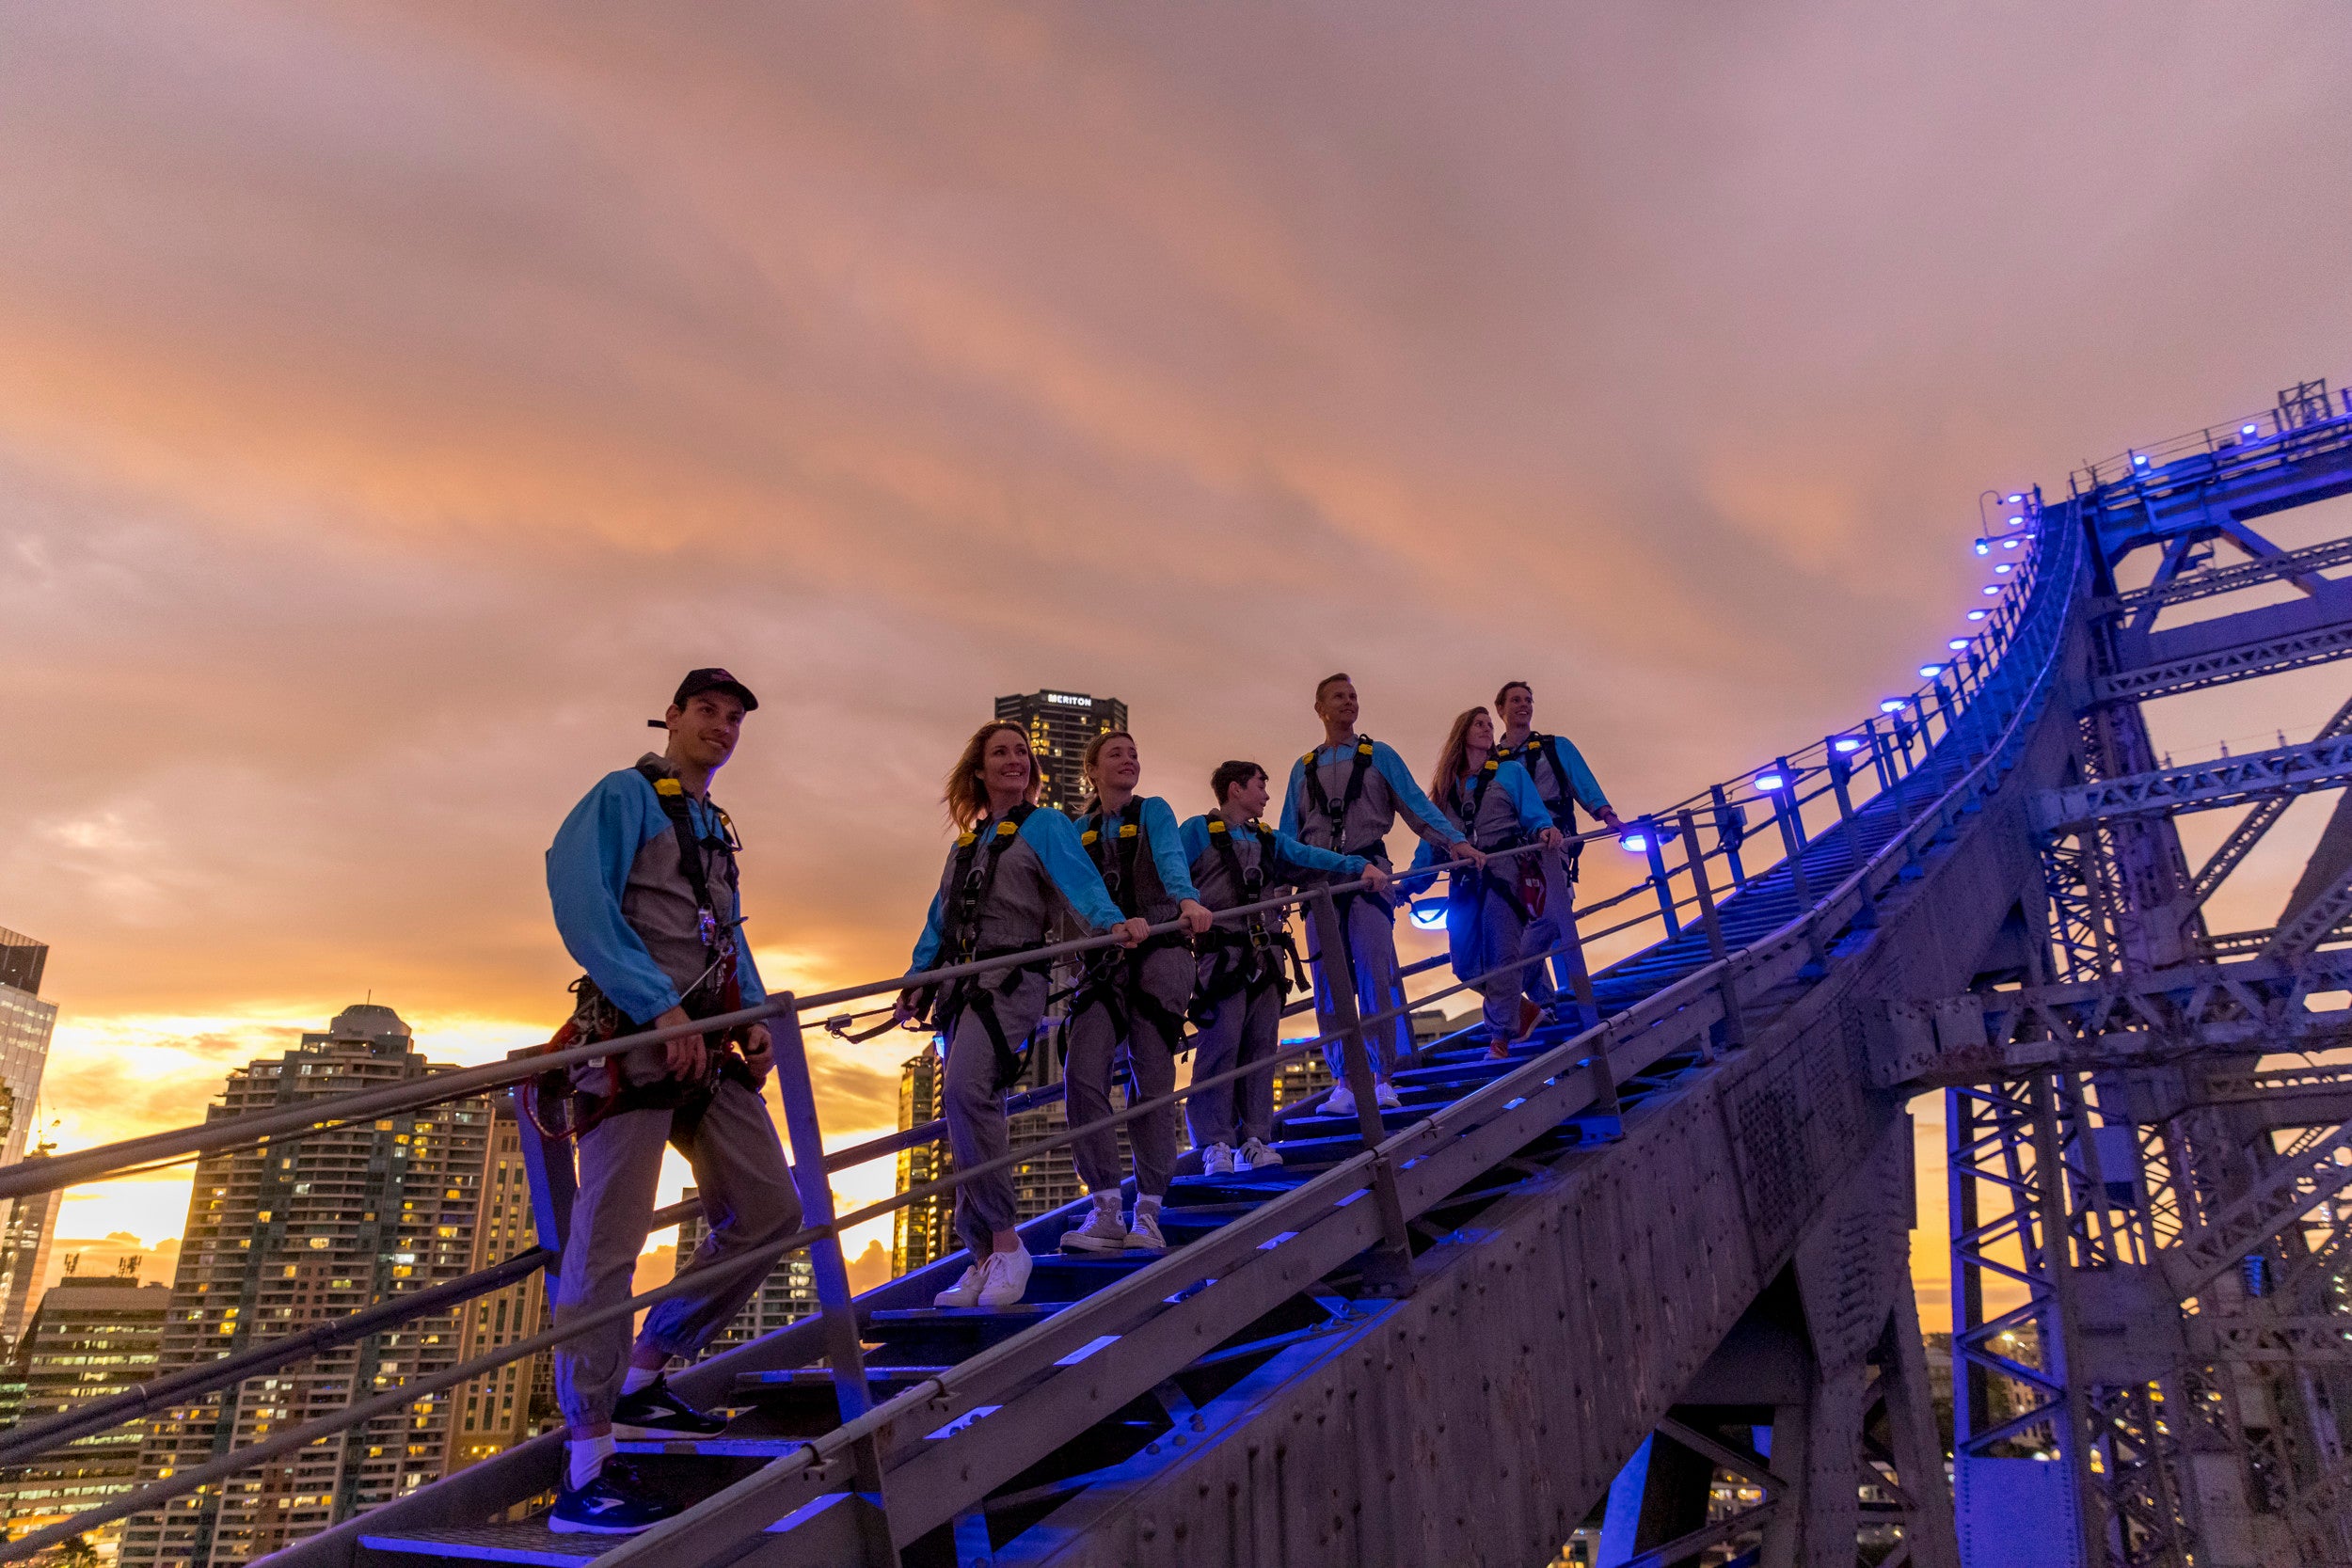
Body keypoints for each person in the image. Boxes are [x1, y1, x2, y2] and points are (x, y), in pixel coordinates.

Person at [542, 669, 803, 1535]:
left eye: (734, 719)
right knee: (608, 1241)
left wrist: (755, 1016)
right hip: (633, 1036)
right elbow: (581, 903)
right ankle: (587, 1462)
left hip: (709, 1043)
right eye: (708, 712)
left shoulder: (714, 828)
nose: (722, 728)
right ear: (674, 716)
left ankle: (646, 1371)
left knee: (771, 1207)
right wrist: (656, 1005)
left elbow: (724, 933)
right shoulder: (622, 796)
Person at [892, 721, 1146, 1308]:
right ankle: (982, 1255)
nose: (1014, 760)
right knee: (964, 1113)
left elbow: (1081, 886)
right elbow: (940, 919)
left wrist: (1112, 925)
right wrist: (915, 979)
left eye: (1021, 753)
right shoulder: (966, 844)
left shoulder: (1048, 825)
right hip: (959, 987)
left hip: (1009, 982)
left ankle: (1007, 1244)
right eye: (999, 753)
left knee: (965, 1093)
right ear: (978, 770)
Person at [1279, 673, 1479, 1117]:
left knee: (1374, 975)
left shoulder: (1378, 756)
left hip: (1370, 875)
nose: (1349, 703)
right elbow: (1288, 837)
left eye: (1353, 696)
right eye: (1339, 697)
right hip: (1318, 885)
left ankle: (1382, 1075)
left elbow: (1415, 806)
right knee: (1329, 989)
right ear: (1320, 708)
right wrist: (1276, 897)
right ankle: (1343, 1082)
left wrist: (1454, 842)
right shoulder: (1302, 768)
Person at [1181, 761, 1388, 1175]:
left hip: (1266, 956)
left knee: (1260, 1048)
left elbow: (1308, 857)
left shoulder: (1267, 839)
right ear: (1236, 789)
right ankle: (1215, 1143)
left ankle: (1256, 1137)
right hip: (1221, 957)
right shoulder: (1196, 831)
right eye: (1261, 786)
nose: (1267, 796)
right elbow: (1172, 877)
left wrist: (1357, 866)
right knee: (1219, 1047)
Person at [1057, 733, 1215, 1254]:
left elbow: (1170, 860)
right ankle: (1105, 1205)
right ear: (1092, 770)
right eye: (1116, 754)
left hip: (1161, 952)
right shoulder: (1075, 831)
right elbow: (1064, 891)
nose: (1129, 760)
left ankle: (1148, 1209)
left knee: (1150, 1077)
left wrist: (1187, 900)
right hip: (1105, 965)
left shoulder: (1154, 812)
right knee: (1082, 1072)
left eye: (1134, 753)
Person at [1413, 706, 1563, 1058]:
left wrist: (1544, 828)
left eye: (1489, 725)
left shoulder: (1509, 772)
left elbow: (1533, 811)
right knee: (1464, 965)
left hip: (1504, 871)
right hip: (1464, 880)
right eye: (1479, 724)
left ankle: (1499, 1040)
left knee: (1502, 955)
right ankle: (1525, 1012)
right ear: (1462, 732)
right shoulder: (1445, 788)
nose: (1487, 729)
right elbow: (1431, 842)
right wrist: (1409, 885)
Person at [1491, 680, 1625, 1006]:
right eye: (1516, 700)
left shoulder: (1555, 747)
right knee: (1517, 927)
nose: (1524, 706)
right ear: (1500, 709)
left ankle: (1505, 991)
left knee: (1551, 917)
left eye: (1529, 700)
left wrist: (1607, 815)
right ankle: (1543, 1004)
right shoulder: (1490, 760)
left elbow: (1583, 782)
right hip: (1509, 851)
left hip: (1552, 844)